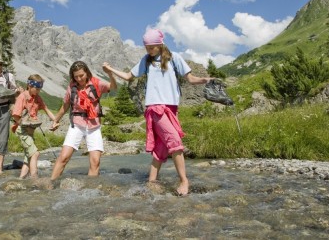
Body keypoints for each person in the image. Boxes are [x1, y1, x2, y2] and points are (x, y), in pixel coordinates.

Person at [102, 28, 212, 196]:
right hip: (155, 108)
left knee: (161, 148)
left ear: (160, 44)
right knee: (174, 142)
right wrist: (110, 71)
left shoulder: (174, 58)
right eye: (146, 47)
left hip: (172, 109)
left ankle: (151, 182)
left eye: (152, 47)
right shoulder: (146, 60)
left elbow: (190, 78)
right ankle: (184, 180)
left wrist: (205, 80)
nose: (149, 50)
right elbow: (128, 76)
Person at [50, 61, 117, 180]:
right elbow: (65, 106)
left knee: (95, 161)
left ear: (87, 72)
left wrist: (110, 74)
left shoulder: (96, 83)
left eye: (81, 75)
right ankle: (51, 183)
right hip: (76, 124)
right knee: (64, 157)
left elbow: (113, 87)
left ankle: (90, 190)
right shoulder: (72, 86)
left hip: (94, 126)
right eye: (76, 76)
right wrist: (56, 120)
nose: (79, 78)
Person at [11, 74, 57, 179]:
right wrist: (24, 123)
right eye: (36, 88)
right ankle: (35, 179)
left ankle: (21, 179)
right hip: (22, 130)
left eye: (39, 89)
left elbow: (46, 109)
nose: (38, 91)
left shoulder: (38, 98)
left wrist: (55, 121)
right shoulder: (22, 97)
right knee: (35, 154)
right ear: (29, 85)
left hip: (31, 131)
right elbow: (15, 115)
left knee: (29, 157)